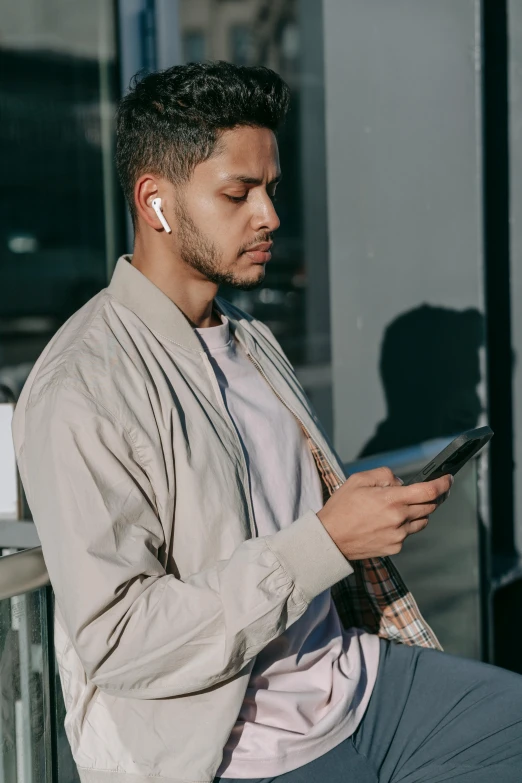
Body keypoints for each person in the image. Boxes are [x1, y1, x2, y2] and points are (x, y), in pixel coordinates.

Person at [12, 62, 522, 783]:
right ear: (154, 201)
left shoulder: (250, 338)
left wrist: (358, 513)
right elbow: (120, 638)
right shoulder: (83, 385)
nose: (270, 216)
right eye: (237, 193)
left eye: (271, 189)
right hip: (232, 747)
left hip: (354, 684)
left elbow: (282, 516)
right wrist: (324, 541)